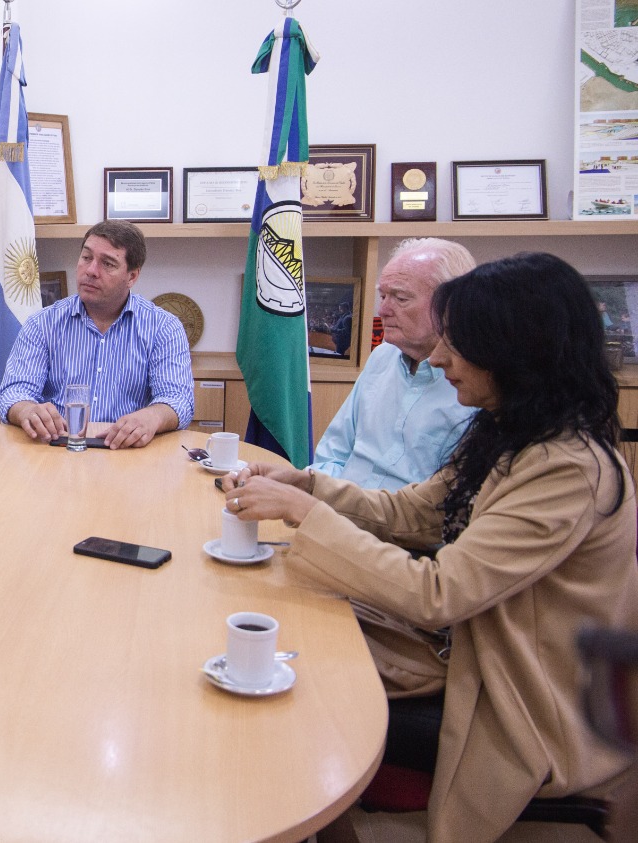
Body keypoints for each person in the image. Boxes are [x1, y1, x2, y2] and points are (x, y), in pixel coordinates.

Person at [225, 252, 638, 842]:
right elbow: (413, 511)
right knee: (285, 623)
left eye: (459, 343)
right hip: (463, 649)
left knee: (291, 691)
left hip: (522, 695)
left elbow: (439, 593)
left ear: (515, 352)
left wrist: (307, 514)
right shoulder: (512, 431)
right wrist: (310, 485)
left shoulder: (566, 467)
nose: (439, 357)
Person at [0, 220, 194, 449]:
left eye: (107, 263)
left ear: (132, 276)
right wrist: (27, 410)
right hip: (58, 451)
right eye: (86, 257)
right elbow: (13, 392)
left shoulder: (164, 328)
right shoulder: (42, 324)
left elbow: (179, 400)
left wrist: (152, 417)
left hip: (127, 455)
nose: (91, 271)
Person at [310, 238, 477, 491]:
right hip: (336, 511)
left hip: (407, 525)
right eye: (383, 295)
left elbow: (448, 503)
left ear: (452, 304)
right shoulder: (382, 356)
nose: (381, 310)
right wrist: (318, 500)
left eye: (400, 298)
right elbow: (334, 451)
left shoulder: (477, 385)